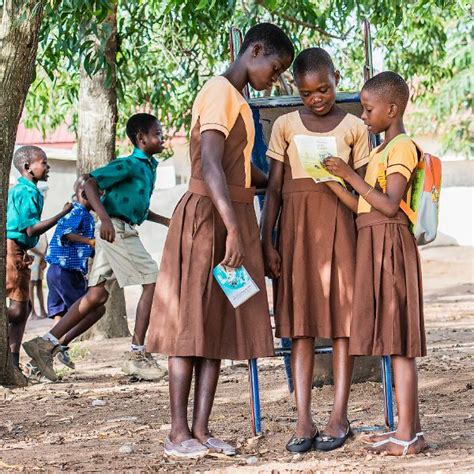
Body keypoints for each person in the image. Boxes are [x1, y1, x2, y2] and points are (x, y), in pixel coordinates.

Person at [146, 23, 294, 459]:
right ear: (256, 50)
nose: (277, 78)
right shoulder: (219, 91)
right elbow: (211, 166)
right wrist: (232, 228)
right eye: (276, 67)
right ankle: (177, 433)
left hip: (233, 218)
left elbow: (242, 174)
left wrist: (292, 179)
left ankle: (201, 428)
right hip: (209, 220)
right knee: (189, 325)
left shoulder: (242, 103)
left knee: (218, 325)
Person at [261, 47, 370, 453]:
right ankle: (303, 417)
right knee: (299, 325)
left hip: (342, 229)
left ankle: (339, 414)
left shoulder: (356, 126)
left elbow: (363, 191)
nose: (317, 99)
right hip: (296, 233)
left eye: (324, 89)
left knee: (342, 324)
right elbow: (273, 189)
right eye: (307, 93)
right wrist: (266, 240)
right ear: (296, 89)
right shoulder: (285, 125)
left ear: (336, 79)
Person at [323, 71, 427, 456]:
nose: (363, 116)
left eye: (368, 110)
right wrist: (335, 182)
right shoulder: (382, 151)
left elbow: (388, 203)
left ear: (393, 109)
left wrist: (350, 173)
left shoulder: (400, 147)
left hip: (391, 245)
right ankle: (407, 429)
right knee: (390, 337)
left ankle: (408, 435)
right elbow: (365, 206)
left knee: (400, 342)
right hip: (374, 242)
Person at [23, 113, 170, 382]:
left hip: (119, 228)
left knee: (97, 297)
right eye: (158, 133)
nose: (163, 137)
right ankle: (137, 354)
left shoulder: (149, 167)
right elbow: (89, 182)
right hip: (117, 231)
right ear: (140, 138)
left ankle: (45, 345)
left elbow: (138, 207)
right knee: (152, 281)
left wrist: (166, 221)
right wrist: (103, 218)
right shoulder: (128, 165)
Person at [7, 146, 72, 370]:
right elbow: (30, 230)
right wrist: (62, 214)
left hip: (22, 252)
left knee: (23, 309)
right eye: (43, 162)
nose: (47, 166)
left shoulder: (32, 191)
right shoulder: (25, 192)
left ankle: (12, 362)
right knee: (16, 310)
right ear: (27, 168)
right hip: (13, 249)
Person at [43, 174, 102, 369]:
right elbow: (66, 234)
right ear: (86, 194)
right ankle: (60, 345)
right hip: (65, 272)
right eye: (98, 195)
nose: (101, 199)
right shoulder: (78, 212)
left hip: (56, 271)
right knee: (94, 309)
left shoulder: (80, 213)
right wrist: (89, 241)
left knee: (59, 317)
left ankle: (40, 361)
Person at [28, 233, 49, 319]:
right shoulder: (31, 227)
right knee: (31, 284)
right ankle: (32, 312)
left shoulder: (43, 231)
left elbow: (46, 244)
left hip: (40, 259)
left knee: (39, 283)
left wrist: (44, 259)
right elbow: (29, 245)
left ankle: (43, 311)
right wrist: (42, 255)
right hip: (33, 258)